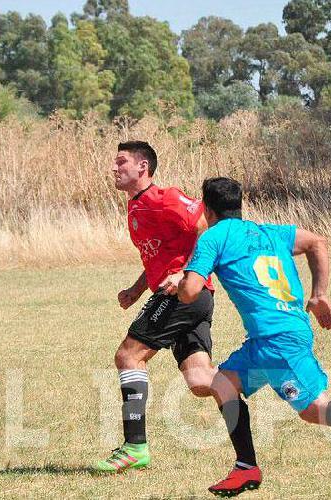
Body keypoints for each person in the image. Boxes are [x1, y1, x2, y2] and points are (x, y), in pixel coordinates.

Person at [176, 177, 331, 497]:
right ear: (239, 204)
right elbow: (317, 242)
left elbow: (191, 291)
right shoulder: (269, 232)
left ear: (206, 208)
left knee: (315, 409)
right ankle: (246, 468)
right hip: (270, 338)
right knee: (223, 383)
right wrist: (318, 295)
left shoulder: (213, 237)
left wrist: (178, 282)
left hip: (277, 340)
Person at [92, 141, 218, 473]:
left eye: (121, 162)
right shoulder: (137, 207)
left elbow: (208, 226)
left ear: (143, 167)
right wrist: (136, 289)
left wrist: (185, 274)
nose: (114, 168)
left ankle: (135, 448)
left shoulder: (165, 199)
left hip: (183, 295)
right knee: (201, 381)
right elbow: (161, 255)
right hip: (192, 297)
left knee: (128, 356)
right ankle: (258, 374)